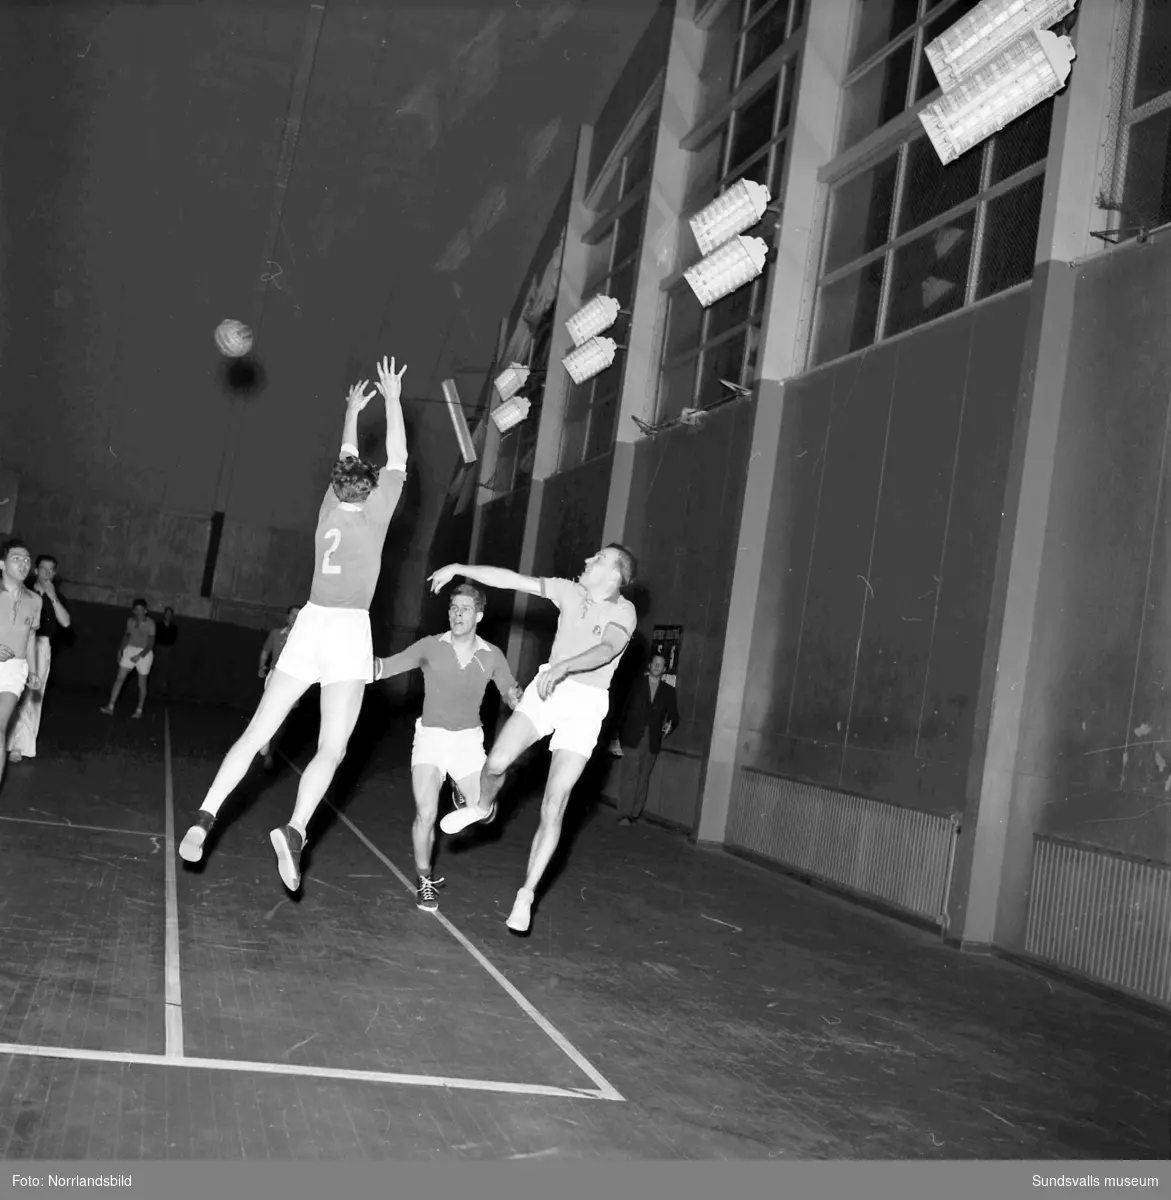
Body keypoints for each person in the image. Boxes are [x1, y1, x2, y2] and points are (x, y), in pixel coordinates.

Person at [179, 356, 409, 893]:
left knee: (258, 730)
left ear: (339, 487)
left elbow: (346, 456)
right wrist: (393, 399)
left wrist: (352, 411)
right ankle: (295, 829)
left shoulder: (329, 508)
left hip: (308, 624)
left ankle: (205, 816)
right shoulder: (378, 510)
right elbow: (396, 454)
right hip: (348, 631)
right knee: (331, 747)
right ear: (371, 489)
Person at [427, 543, 637, 934]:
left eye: (598, 559)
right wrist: (458, 565)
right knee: (495, 763)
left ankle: (526, 894)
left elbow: (607, 649)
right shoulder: (568, 590)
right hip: (550, 686)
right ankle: (483, 807)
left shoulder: (623, 611)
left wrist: (567, 668)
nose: (587, 560)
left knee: (555, 802)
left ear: (613, 576)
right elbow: (511, 579)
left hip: (586, 702)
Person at [371, 583, 521, 912]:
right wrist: (359, 663)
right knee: (425, 814)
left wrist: (517, 697)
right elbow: (385, 667)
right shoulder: (430, 646)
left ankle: (467, 796)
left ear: (478, 615)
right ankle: (425, 880)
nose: (456, 613)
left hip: (468, 742)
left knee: (486, 815)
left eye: (464, 608)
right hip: (431, 739)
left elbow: (509, 688)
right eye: (453, 607)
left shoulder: (492, 654)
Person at [8, 553, 70, 762]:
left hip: (41, 645)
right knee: (11, 692)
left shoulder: (58, 598)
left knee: (33, 697)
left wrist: (52, 597)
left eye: (51, 570)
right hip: (17, 643)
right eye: (43, 569)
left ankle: (20, 746)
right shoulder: (24, 592)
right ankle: (6, 738)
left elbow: (66, 623)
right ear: (35, 571)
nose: (47, 573)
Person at [614, 651, 678, 825]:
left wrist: (670, 724)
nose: (657, 666)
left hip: (652, 741)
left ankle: (634, 813)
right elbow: (623, 710)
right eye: (655, 663)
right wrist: (616, 736)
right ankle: (624, 814)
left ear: (664, 669)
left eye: (661, 664)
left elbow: (674, 716)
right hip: (632, 737)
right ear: (649, 665)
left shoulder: (668, 691)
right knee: (630, 776)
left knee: (643, 778)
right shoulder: (635, 685)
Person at [0, 539, 44, 796]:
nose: (24, 563)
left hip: (14, 669)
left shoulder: (34, 600)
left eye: (27, 559)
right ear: (3, 564)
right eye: (17, 558)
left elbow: (30, 637)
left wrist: (34, 670)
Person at [257, 605, 301, 770]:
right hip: (275, 676)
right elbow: (265, 651)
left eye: (299, 615)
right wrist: (262, 666)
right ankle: (263, 738)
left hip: (294, 680)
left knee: (283, 719)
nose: (295, 618)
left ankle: (269, 753)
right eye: (293, 615)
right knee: (268, 711)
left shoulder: (304, 639)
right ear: (287, 617)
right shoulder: (276, 634)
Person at [101, 598, 156, 718]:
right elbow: (127, 635)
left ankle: (139, 710)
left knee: (141, 683)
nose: (139, 613)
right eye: (136, 610)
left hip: (144, 653)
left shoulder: (150, 624)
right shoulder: (130, 621)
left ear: (146, 611)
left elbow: (151, 643)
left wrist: (140, 656)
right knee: (120, 678)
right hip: (130, 649)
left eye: (141, 610)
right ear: (133, 611)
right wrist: (120, 650)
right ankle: (110, 706)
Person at [153, 607, 179, 698]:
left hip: (168, 649)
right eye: (166, 613)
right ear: (164, 614)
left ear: (172, 616)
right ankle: (154, 689)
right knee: (156, 668)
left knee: (165, 670)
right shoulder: (158, 625)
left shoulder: (174, 628)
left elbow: (172, 639)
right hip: (159, 648)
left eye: (170, 614)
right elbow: (156, 637)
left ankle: (162, 690)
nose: (168, 615)